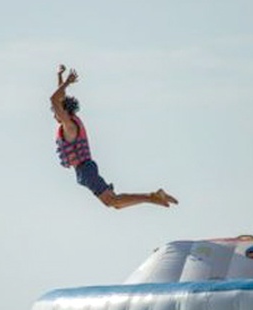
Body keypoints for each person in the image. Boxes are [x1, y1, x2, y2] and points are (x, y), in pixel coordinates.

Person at [50, 64, 179, 209]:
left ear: (65, 112)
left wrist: (66, 82)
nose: (54, 114)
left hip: (85, 169)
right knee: (115, 203)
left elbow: (54, 99)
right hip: (84, 170)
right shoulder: (72, 121)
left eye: (56, 112)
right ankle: (153, 196)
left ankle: (152, 197)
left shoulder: (69, 125)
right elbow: (59, 99)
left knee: (112, 201)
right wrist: (60, 76)